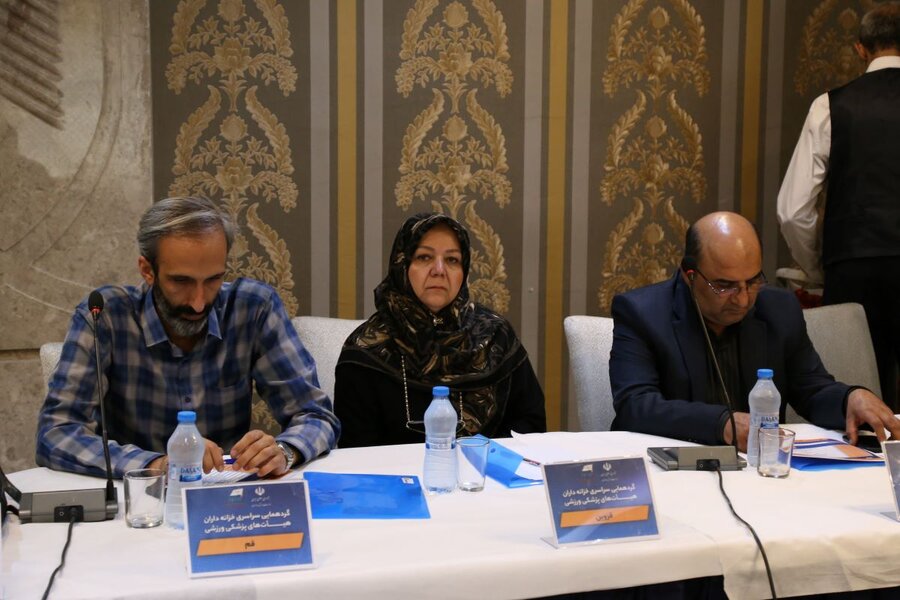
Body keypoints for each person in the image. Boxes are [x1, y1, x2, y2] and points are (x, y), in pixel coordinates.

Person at [36, 196, 339, 479]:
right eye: (181, 281)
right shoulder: (106, 316)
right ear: (147, 270)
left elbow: (316, 415)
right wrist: (156, 465)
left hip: (227, 491)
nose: (198, 302)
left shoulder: (253, 308)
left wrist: (285, 451)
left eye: (213, 280)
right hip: (141, 499)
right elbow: (56, 433)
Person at [609, 211, 900, 450]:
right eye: (724, 286)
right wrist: (722, 424)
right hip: (675, 473)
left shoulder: (779, 309)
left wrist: (850, 398)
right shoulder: (641, 313)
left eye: (752, 282)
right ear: (689, 275)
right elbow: (636, 406)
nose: (743, 300)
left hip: (762, 474)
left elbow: (811, 389)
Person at [777, 1, 900, 409]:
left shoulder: (830, 105)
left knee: (856, 401)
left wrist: (817, 268)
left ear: (860, 49)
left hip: (853, 269)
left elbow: (793, 210)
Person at [334, 212, 546, 447]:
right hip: (394, 471)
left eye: (452, 260)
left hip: (486, 469)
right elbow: (355, 450)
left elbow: (531, 424)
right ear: (402, 265)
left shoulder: (496, 336)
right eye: (424, 257)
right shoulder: (365, 351)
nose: (439, 269)